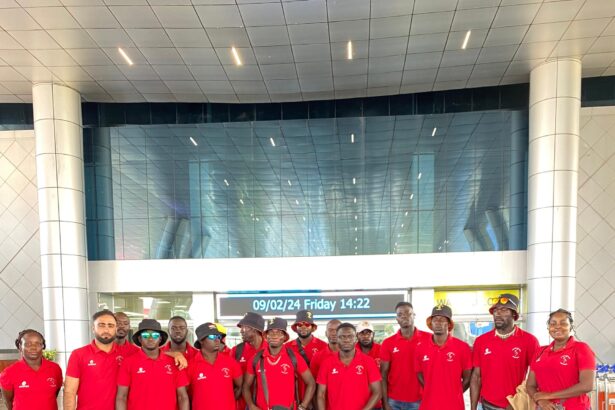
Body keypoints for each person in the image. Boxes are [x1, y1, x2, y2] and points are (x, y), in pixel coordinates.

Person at [470, 294, 539, 410]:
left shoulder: (529, 341)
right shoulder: (481, 341)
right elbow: (476, 377)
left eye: (504, 310)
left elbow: (538, 375)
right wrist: (473, 407)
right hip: (485, 405)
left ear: (514, 314)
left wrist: (521, 399)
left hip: (515, 405)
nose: (498, 313)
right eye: (495, 310)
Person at [527, 309, 596, 410]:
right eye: (553, 323)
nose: (557, 326)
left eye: (563, 323)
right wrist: (541, 401)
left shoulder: (581, 348)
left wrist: (548, 395)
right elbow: (530, 385)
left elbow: (587, 385)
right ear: (548, 327)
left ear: (571, 327)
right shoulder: (540, 351)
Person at [116, 318, 190, 410]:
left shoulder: (175, 362)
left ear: (160, 338)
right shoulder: (128, 362)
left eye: (155, 335)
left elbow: (182, 397)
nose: (150, 338)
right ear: (140, 339)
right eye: (145, 335)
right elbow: (121, 397)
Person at [243, 317, 315, 410]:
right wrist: (251, 406)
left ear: (284, 337)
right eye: (271, 332)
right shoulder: (256, 359)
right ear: (266, 336)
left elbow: (311, 383)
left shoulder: (294, 358)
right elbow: (246, 386)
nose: (274, 335)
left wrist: (303, 407)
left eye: (279, 332)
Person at [415, 305, 471, 410]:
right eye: (435, 319)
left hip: (454, 406)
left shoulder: (462, 347)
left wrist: (455, 393)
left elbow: (468, 378)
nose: (438, 322)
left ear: (449, 324)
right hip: (428, 405)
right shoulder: (420, 347)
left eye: (442, 320)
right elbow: (419, 373)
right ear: (431, 323)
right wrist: (430, 390)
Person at [64, 309, 123, 410]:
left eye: (110, 325)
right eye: (101, 325)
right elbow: (70, 392)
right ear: (93, 328)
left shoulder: (126, 355)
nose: (106, 330)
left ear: (116, 329)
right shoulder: (78, 354)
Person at [317, 322, 382, 410]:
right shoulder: (326, 363)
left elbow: (377, 392)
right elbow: (320, 394)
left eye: (350, 336)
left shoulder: (369, 361)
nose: (346, 340)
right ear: (337, 339)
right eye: (342, 337)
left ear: (356, 338)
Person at [380, 302, 430, 410]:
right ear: (397, 319)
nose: (404, 316)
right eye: (400, 314)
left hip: (420, 400)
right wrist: (385, 403)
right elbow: (383, 375)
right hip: (393, 401)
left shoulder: (429, 339)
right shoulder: (388, 343)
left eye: (407, 313)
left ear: (414, 315)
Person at [0, 329, 62, 410]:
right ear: (20, 347)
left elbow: (54, 394)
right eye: (28, 344)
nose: (33, 347)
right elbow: (8, 402)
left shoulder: (55, 369)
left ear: (43, 346)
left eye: (38, 343)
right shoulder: (9, 372)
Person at [188, 322, 242, 410]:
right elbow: (185, 395)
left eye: (218, 336)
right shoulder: (190, 365)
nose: (217, 340)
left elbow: (240, 387)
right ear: (201, 341)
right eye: (212, 336)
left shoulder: (230, 362)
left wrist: (227, 403)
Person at [287, 310, 327, 403]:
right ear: (296, 328)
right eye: (300, 325)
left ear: (313, 328)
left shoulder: (323, 346)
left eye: (307, 324)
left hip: (317, 394)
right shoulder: (287, 347)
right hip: (295, 394)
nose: (303, 327)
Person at [231, 311, 267, 410]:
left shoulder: (270, 349)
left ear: (255, 329)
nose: (241, 331)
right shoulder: (236, 351)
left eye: (245, 327)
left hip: (265, 405)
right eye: (241, 328)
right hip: (242, 405)